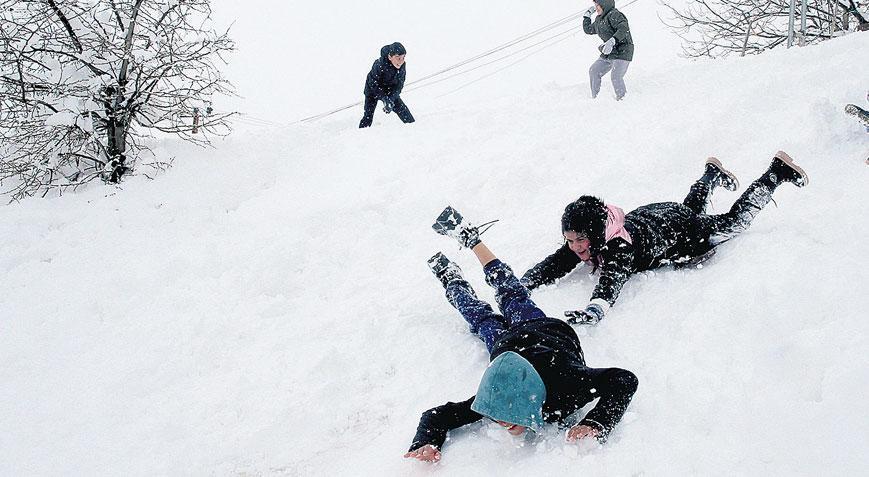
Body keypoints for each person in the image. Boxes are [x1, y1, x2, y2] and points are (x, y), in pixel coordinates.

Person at [404, 206, 638, 463]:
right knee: (484, 313)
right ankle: (452, 277)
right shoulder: (496, 396)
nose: (501, 420)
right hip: (507, 349)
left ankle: (471, 245)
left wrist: (595, 422)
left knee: (507, 297)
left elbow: (624, 380)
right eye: (497, 412)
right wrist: (425, 441)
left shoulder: (569, 386)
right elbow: (437, 415)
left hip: (542, 330)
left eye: (506, 410)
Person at [521, 152, 808, 325]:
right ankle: (711, 174)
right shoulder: (592, 235)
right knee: (688, 209)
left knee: (732, 223)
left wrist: (594, 310)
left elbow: (612, 281)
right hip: (660, 215)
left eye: (579, 240)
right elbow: (555, 263)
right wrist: (524, 283)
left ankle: (776, 173)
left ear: (594, 234)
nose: (575, 247)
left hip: (680, 232)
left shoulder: (619, 246)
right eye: (569, 240)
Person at [582, 0, 634, 100]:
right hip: (609, 52)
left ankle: (623, 99)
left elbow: (623, 27)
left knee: (616, 76)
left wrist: (612, 41)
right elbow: (588, 29)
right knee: (594, 70)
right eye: (595, 5)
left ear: (605, 4)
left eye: (598, 5)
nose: (596, 8)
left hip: (623, 50)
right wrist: (586, 17)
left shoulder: (614, 14)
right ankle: (595, 98)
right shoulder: (599, 20)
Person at [359, 42, 415, 128]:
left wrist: (391, 99)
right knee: (368, 116)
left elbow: (399, 85)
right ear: (390, 57)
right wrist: (385, 99)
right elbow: (373, 84)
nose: (401, 61)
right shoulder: (379, 64)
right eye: (398, 58)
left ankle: (413, 129)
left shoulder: (402, 65)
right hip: (372, 91)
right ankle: (360, 135)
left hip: (390, 90)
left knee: (406, 115)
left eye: (403, 58)